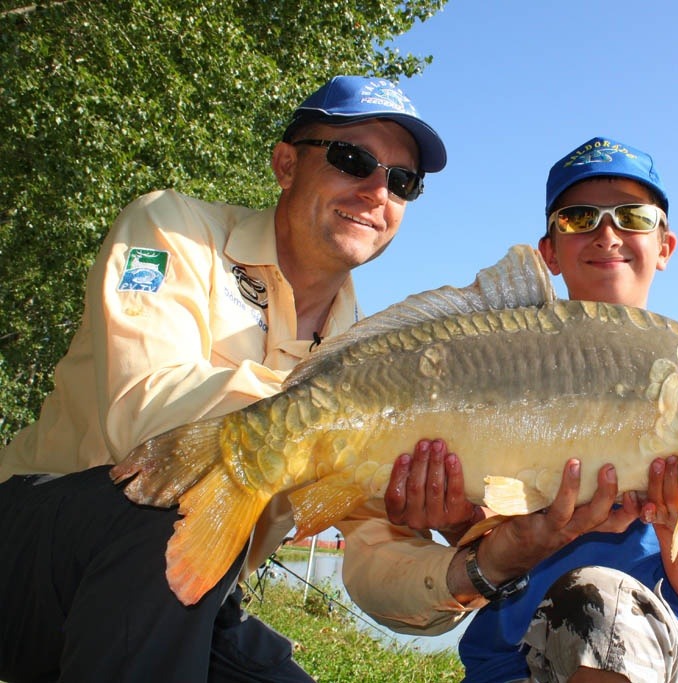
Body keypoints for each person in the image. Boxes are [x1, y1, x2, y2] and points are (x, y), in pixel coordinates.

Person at [0, 75, 446, 683]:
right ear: (286, 164)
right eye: (352, 159)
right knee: (170, 495)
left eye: (402, 181)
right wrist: (344, 416)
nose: (376, 191)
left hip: (189, 594)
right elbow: (144, 410)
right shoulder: (172, 231)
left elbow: (373, 543)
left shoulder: (365, 353)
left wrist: (481, 566)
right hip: (36, 548)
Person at [338, 136, 678, 682]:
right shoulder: (498, 364)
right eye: (580, 218)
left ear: (665, 245)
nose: (607, 233)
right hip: (509, 658)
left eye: (632, 216)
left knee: (600, 606)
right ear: (549, 251)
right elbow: (491, 528)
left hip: (657, 655)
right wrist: (456, 515)